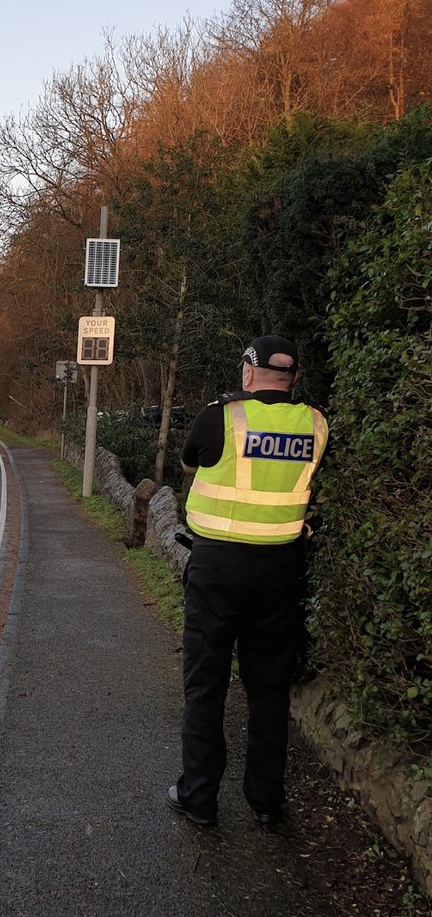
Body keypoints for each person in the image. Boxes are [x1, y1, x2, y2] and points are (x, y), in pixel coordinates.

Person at [167, 336, 328, 828]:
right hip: (280, 570)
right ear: (294, 378)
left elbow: (189, 463)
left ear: (249, 372)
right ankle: (266, 801)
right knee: (269, 687)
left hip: (218, 569)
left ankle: (198, 798)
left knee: (206, 682)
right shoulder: (316, 423)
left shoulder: (222, 417)